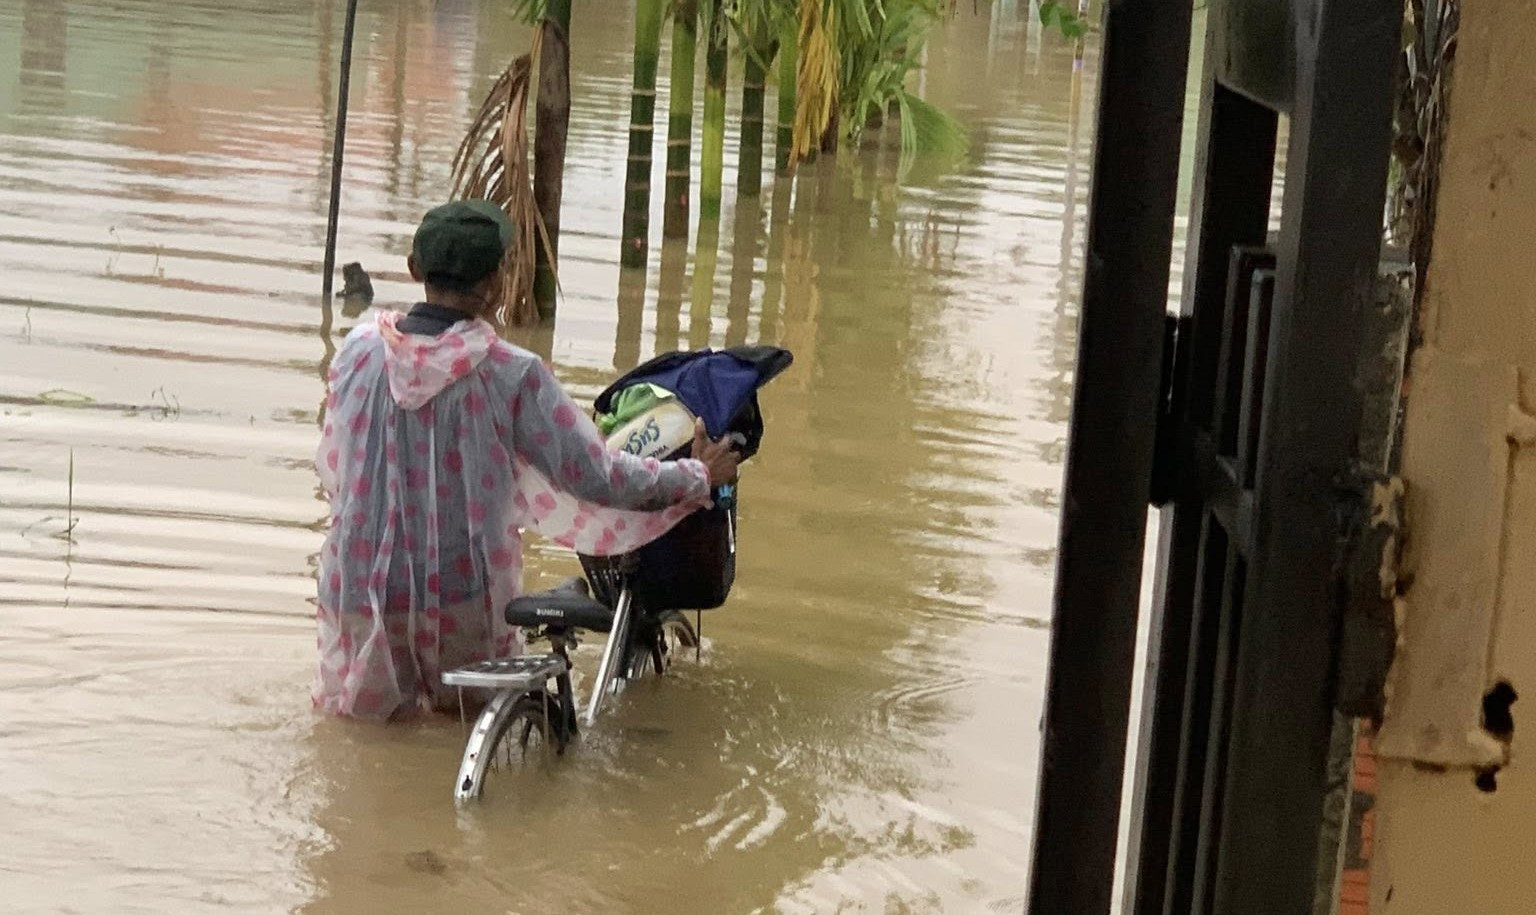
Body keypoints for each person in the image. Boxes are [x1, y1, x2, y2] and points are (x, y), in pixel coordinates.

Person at [313, 200, 740, 720]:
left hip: (359, 586)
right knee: (459, 726)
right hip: (457, 594)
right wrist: (695, 475)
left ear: (413, 269)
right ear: (497, 283)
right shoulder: (512, 375)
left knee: (370, 739)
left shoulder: (356, 351)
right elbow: (597, 476)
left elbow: (336, 464)